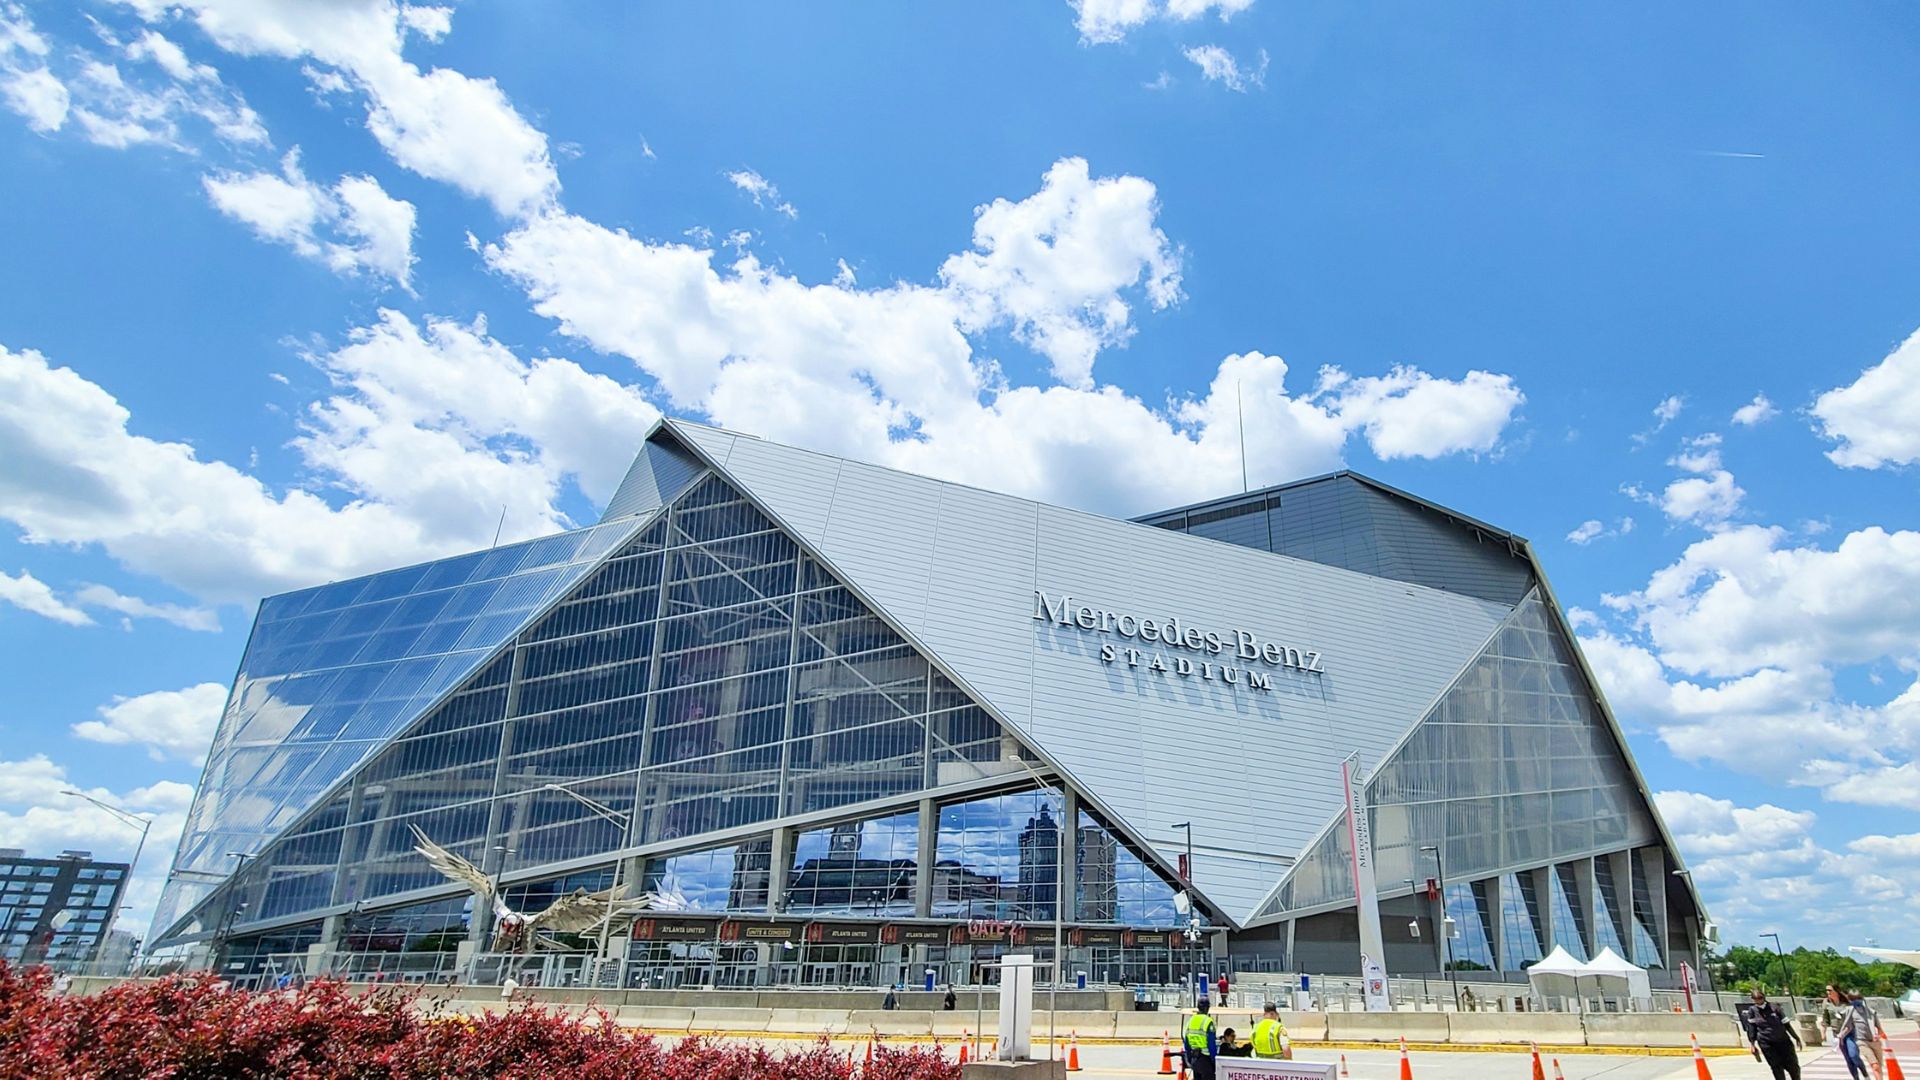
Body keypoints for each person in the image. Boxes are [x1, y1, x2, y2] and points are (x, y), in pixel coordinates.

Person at [1739, 989, 1804, 1080]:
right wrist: (1752, 1044)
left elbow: (1787, 1025)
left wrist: (1796, 1038)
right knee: (1776, 1067)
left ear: (1764, 997)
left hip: (1783, 1041)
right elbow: (1751, 1029)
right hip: (1766, 1043)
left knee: (1793, 1067)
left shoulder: (1775, 1008)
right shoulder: (1752, 1011)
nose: (1758, 1001)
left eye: (1760, 998)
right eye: (1755, 999)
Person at [1823, 986, 1868, 1080]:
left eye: (1830, 990)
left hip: (1850, 1033)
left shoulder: (1846, 1003)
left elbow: (1854, 1017)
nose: (1828, 992)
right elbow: (1825, 1020)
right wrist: (1823, 1033)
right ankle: (1856, 1078)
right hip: (1837, 1034)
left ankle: (1865, 1075)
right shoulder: (1826, 1003)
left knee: (1854, 1055)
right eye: (1826, 990)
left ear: (1836, 991)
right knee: (1848, 1059)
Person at [1846, 990, 1886, 1080]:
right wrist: (1840, 1036)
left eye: (1858, 999)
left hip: (1875, 1042)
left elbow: (1880, 1029)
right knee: (1875, 1065)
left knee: (1879, 1067)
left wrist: (1878, 1036)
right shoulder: (1850, 1012)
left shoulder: (1871, 1012)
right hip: (1862, 1042)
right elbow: (1847, 1026)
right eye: (1853, 1000)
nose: (1856, 1002)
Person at [1184, 999, 1219, 1080]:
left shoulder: (1191, 1020)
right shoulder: (1208, 1021)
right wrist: (1214, 1060)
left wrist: (1189, 1058)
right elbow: (1211, 1044)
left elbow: (1186, 1042)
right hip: (1205, 1059)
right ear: (1207, 1008)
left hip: (1194, 1059)